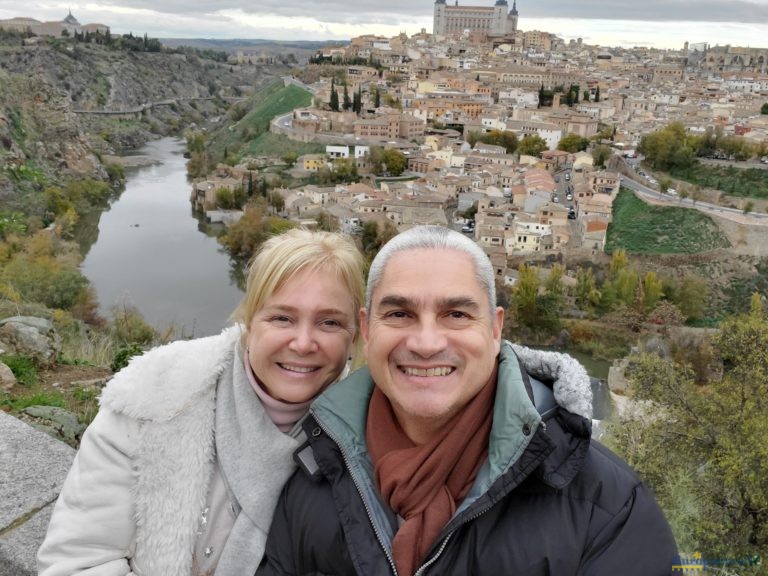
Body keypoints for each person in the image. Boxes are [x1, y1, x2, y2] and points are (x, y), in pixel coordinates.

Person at [257, 225, 677, 576]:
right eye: (399, 314)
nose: (425, 343)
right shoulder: (315, 476)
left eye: (456, 315)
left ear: (495, 331)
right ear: (367, 330)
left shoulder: (604, 507)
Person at [37, 228, 366, 576]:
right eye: (282, 317)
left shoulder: (368, 438)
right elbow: (78, 561)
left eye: (329, 322)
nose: (303, 343)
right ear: (248, 323)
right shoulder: (156, 395)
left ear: (355, 336)